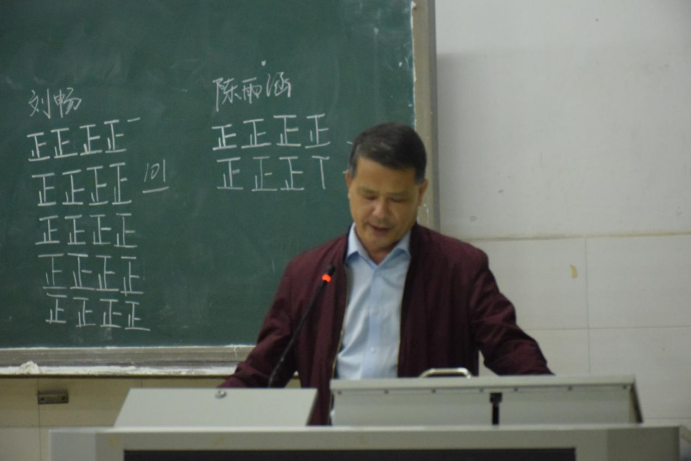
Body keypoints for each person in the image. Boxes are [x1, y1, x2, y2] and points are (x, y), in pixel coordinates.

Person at [220, 122, 551, 425]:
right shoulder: (307, 275)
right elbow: (263, 370)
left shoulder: (460, 268)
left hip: (427, 446)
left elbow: (508, 347)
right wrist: (211, 412)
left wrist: (553, 401)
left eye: (397, 199)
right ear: (349, 184)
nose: (380, 212)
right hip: (332, 448)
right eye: (369, 196)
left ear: (420, 193)